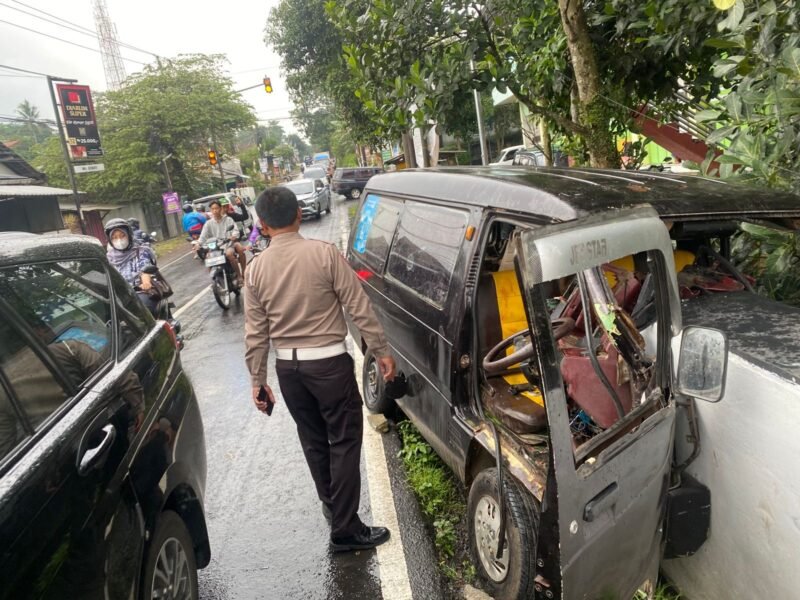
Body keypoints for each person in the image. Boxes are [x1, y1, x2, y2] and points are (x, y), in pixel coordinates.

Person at [244, 186, 396, 553]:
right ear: (298, 214)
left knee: (313, 440)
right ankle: (346, 529)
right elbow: (358, 307)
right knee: (343, 440)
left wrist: (258, 380)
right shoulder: (324, 254)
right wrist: (380, 350)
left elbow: (255, 332)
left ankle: (333, 505)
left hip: (288, 370)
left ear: (262, 224)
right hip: (328, 364)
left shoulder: (255, 269)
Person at [105, 218, 159, 313]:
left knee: (141, 310)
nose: (119, 240)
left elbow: (144, 268)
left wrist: (145, 282)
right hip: (119, 296)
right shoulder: (108, 258)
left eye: (122, 236)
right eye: (114, 237)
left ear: (129, 235)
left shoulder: (140, 251)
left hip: (139, 291)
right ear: (110, 240)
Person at [198, 199, 246, 284]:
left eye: (216, 208)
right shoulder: (208, 223)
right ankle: (214, 282)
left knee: (229, 254)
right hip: (215, 247)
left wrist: (233, 236)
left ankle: (239, 275)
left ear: (220, 208)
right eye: (212, 209)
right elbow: (203, 236)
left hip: (228, 244)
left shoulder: (228, 219)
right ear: (210, 210)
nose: (215, 211)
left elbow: (235, 230)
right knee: (208, 258)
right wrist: (198, 244)